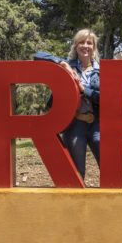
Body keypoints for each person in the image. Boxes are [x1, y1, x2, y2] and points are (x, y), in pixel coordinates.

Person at [34, 29, 100, 180]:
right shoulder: (68, 66)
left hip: (97, 124)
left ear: (94, 47)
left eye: (89, 43)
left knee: (110, 167)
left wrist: (84, 89)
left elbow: (105, 98)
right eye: (81, 42)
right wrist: (62, 63)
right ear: (75, 46)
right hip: (75, 124)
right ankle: (78, 202)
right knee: (77, 173)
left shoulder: (102, 71)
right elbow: (38, 55)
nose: (85, 46)